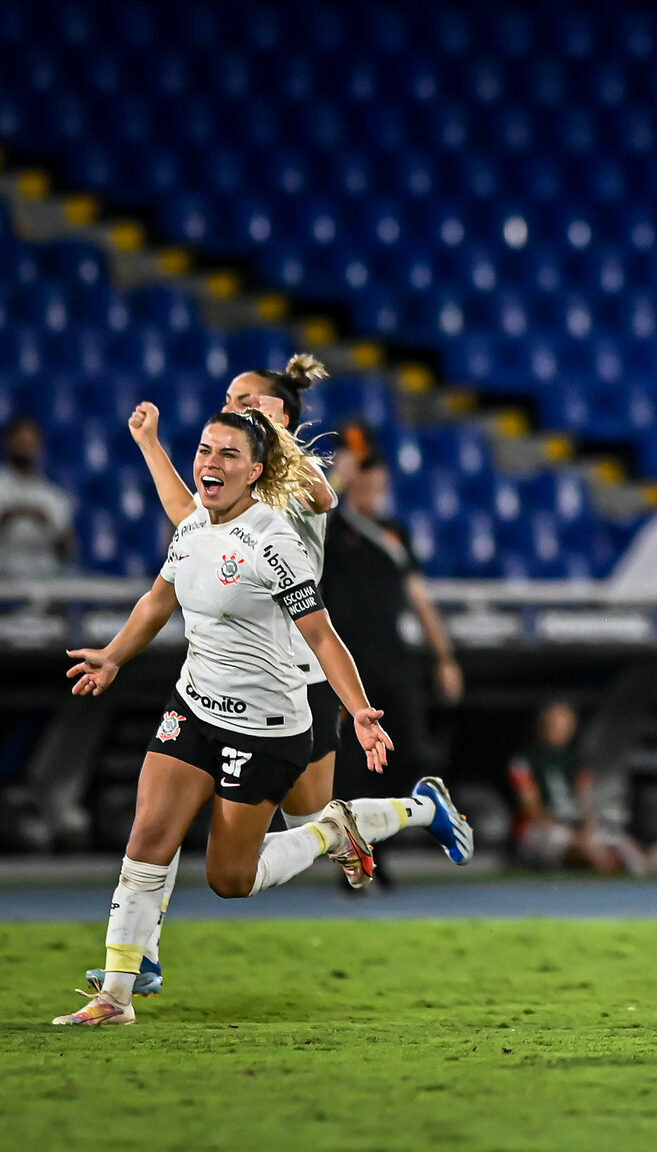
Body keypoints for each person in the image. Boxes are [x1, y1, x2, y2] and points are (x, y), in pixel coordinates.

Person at [89, 359, 467, 1000]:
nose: (233, 407)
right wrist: (154, 447)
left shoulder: (290, 495)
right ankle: (135, 959)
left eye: (249, 403)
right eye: (229, 401)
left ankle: (418, 808)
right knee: (157, 820)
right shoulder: (223, 495)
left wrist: (270, 438)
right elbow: (189, 528)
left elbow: (324, 503)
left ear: (279, 425)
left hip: (297, 683)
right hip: (211, 683)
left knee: (308, 820)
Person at [322, 449, 466, 812]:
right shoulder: (333, 528)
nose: (373, 491)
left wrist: (445, 658)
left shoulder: (394, 532)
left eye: (379, 485)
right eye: (366, 483)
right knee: (351, 765)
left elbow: (419, 598)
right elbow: (308, 512)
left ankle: (386, 832)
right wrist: (338, 479)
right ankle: (358, 857)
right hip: (348, 664)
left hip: (391, 659)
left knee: (411, 753)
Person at [509, 700, 647, 874]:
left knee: (623, 844)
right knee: (575, 846)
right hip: (541, 827)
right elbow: (531, 807)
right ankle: (604, 864)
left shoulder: (576, 761)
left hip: (575, 826)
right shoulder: (525, 760)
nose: (559, 729)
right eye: (554, 724)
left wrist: (586, 829)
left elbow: (585, 801)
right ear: (541, 725)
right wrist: (572, 833)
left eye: (564, 724)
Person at [0, 415, 77, 578]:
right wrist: (8, 517)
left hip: (47, 582)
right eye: (20, 443)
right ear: (9, 444)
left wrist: (49, 525)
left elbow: (68, 551)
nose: (25, 449)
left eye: (30, 444)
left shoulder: (53, 496)